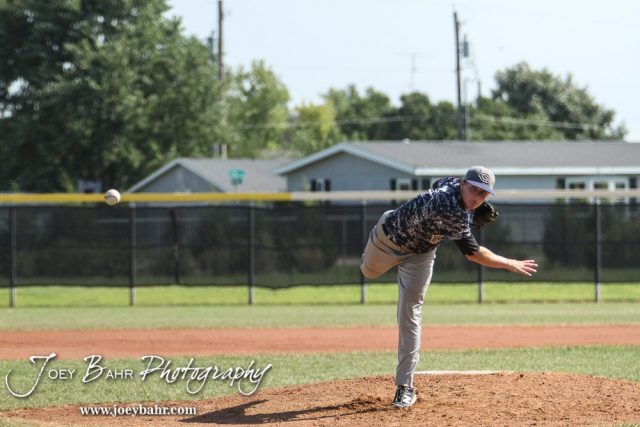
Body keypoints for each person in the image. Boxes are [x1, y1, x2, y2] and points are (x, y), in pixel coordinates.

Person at [360, 166, 538, 409]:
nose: (477, 197)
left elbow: (439, 181)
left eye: (483, 193)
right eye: (474, 189)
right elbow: (474, 254)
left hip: (420, 254)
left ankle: (405, 386)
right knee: (368, 272)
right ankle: (371, 247)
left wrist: (468, 213)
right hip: (388, 238)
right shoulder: (450, 208)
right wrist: (509, 263)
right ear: (463, 184)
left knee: (410, 315)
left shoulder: (450, 185)